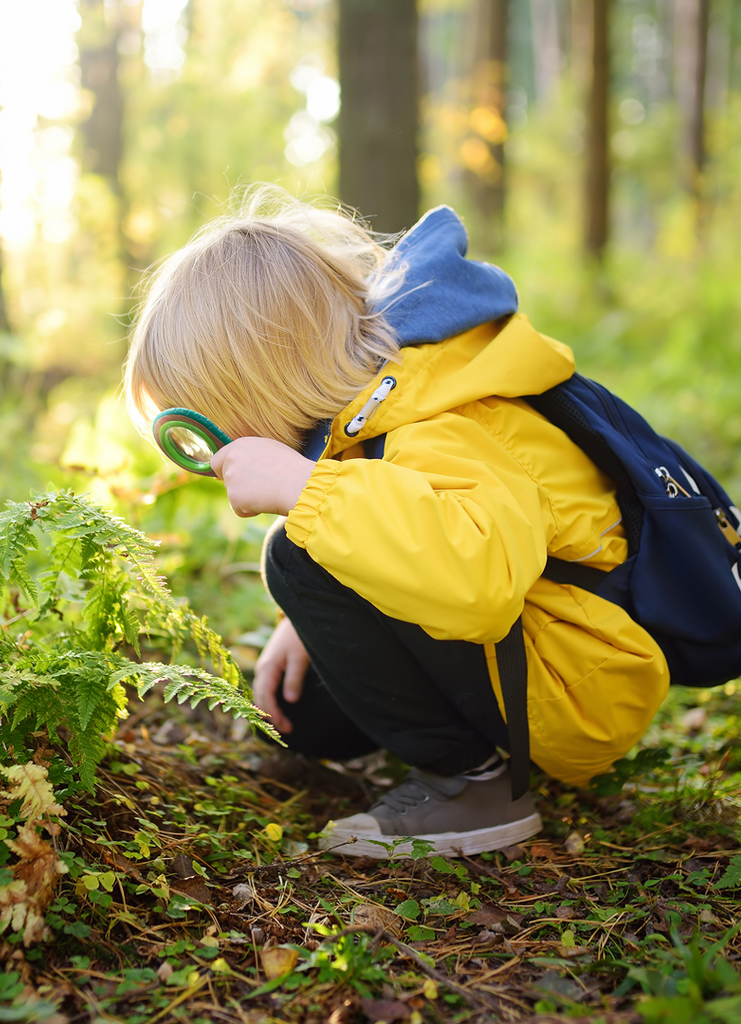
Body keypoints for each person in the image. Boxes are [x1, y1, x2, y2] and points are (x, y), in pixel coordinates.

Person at [123, 186, 668, 859]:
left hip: (575, 682)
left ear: (263, 383)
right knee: (308, 719)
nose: (209, 453)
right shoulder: (371, 409)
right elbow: (403, 521)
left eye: (207, 421)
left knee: (292, 553)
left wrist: (305, 491)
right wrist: (309, 620)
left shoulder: (440, 415)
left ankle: (474, 790)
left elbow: (479, 581)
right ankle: (449, 752)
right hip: (531, 655)